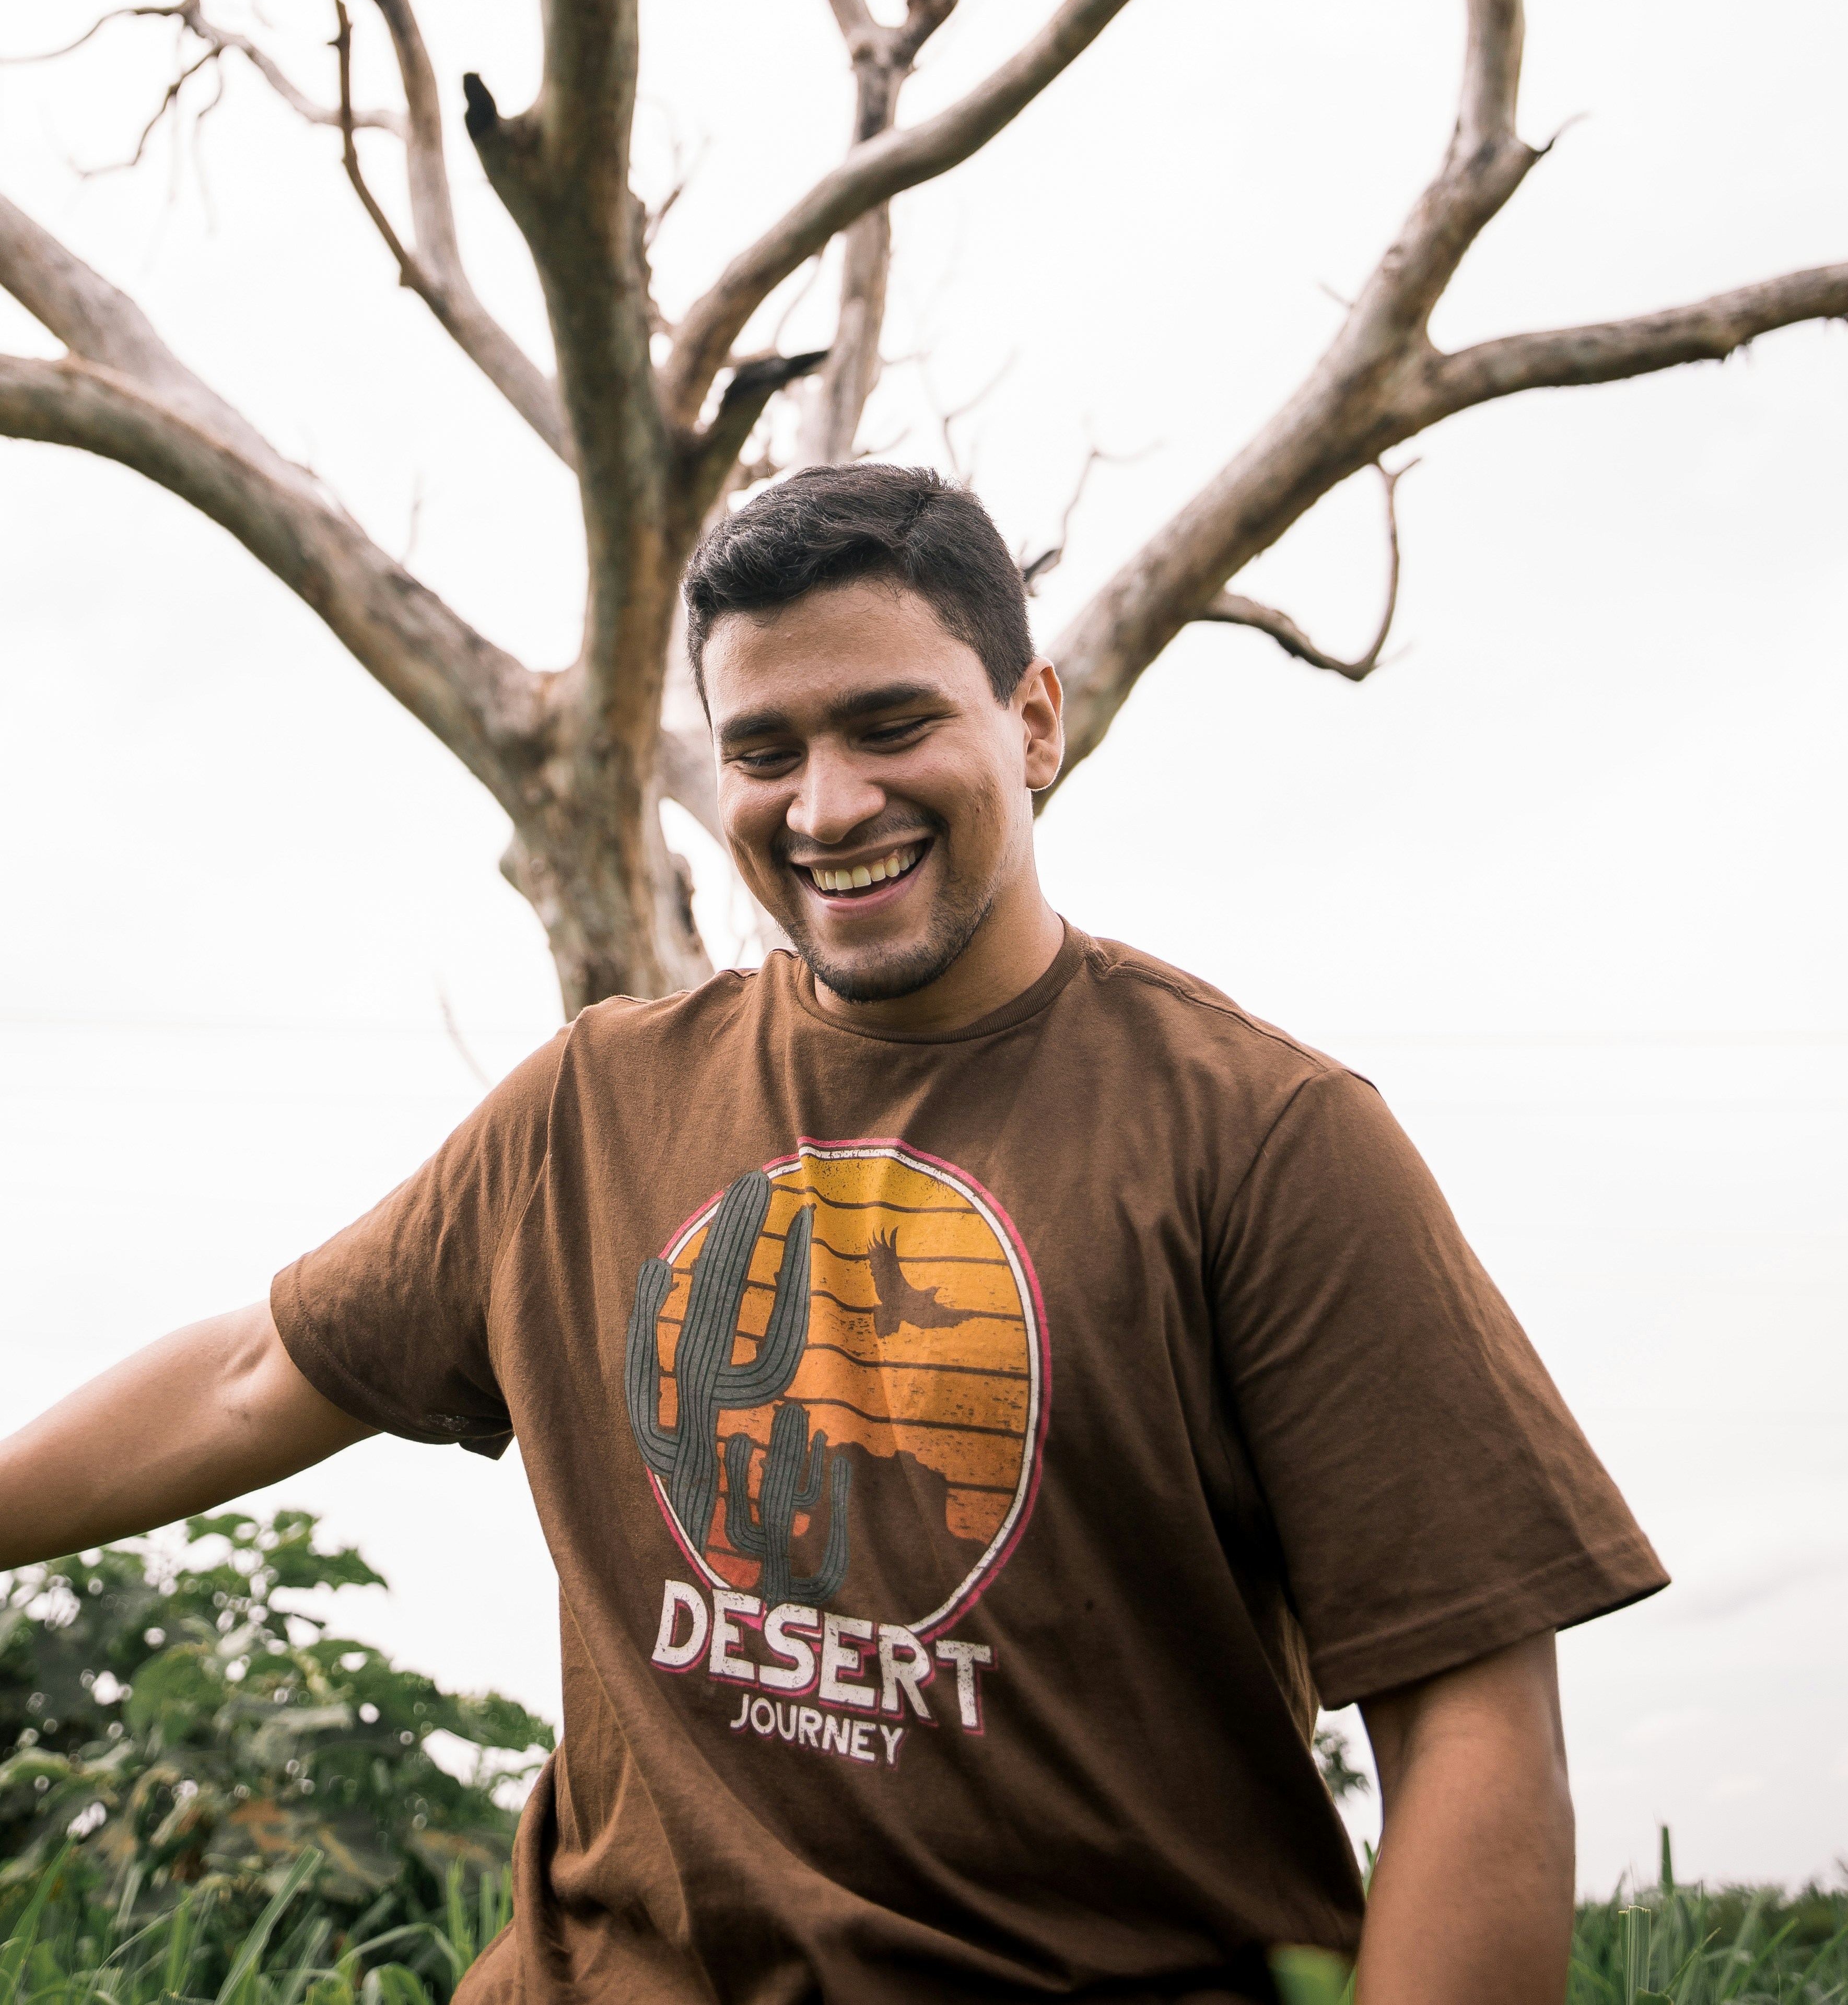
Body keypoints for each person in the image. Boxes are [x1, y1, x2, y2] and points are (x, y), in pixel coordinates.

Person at [0, 463, 1665, 2005]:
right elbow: (246, 1374)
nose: (827, 802)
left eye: (889, 724)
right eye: (766, 748)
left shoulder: (1261, 1134)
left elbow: (1473, 1722)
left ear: (1032, 722)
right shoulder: (589, 1110)